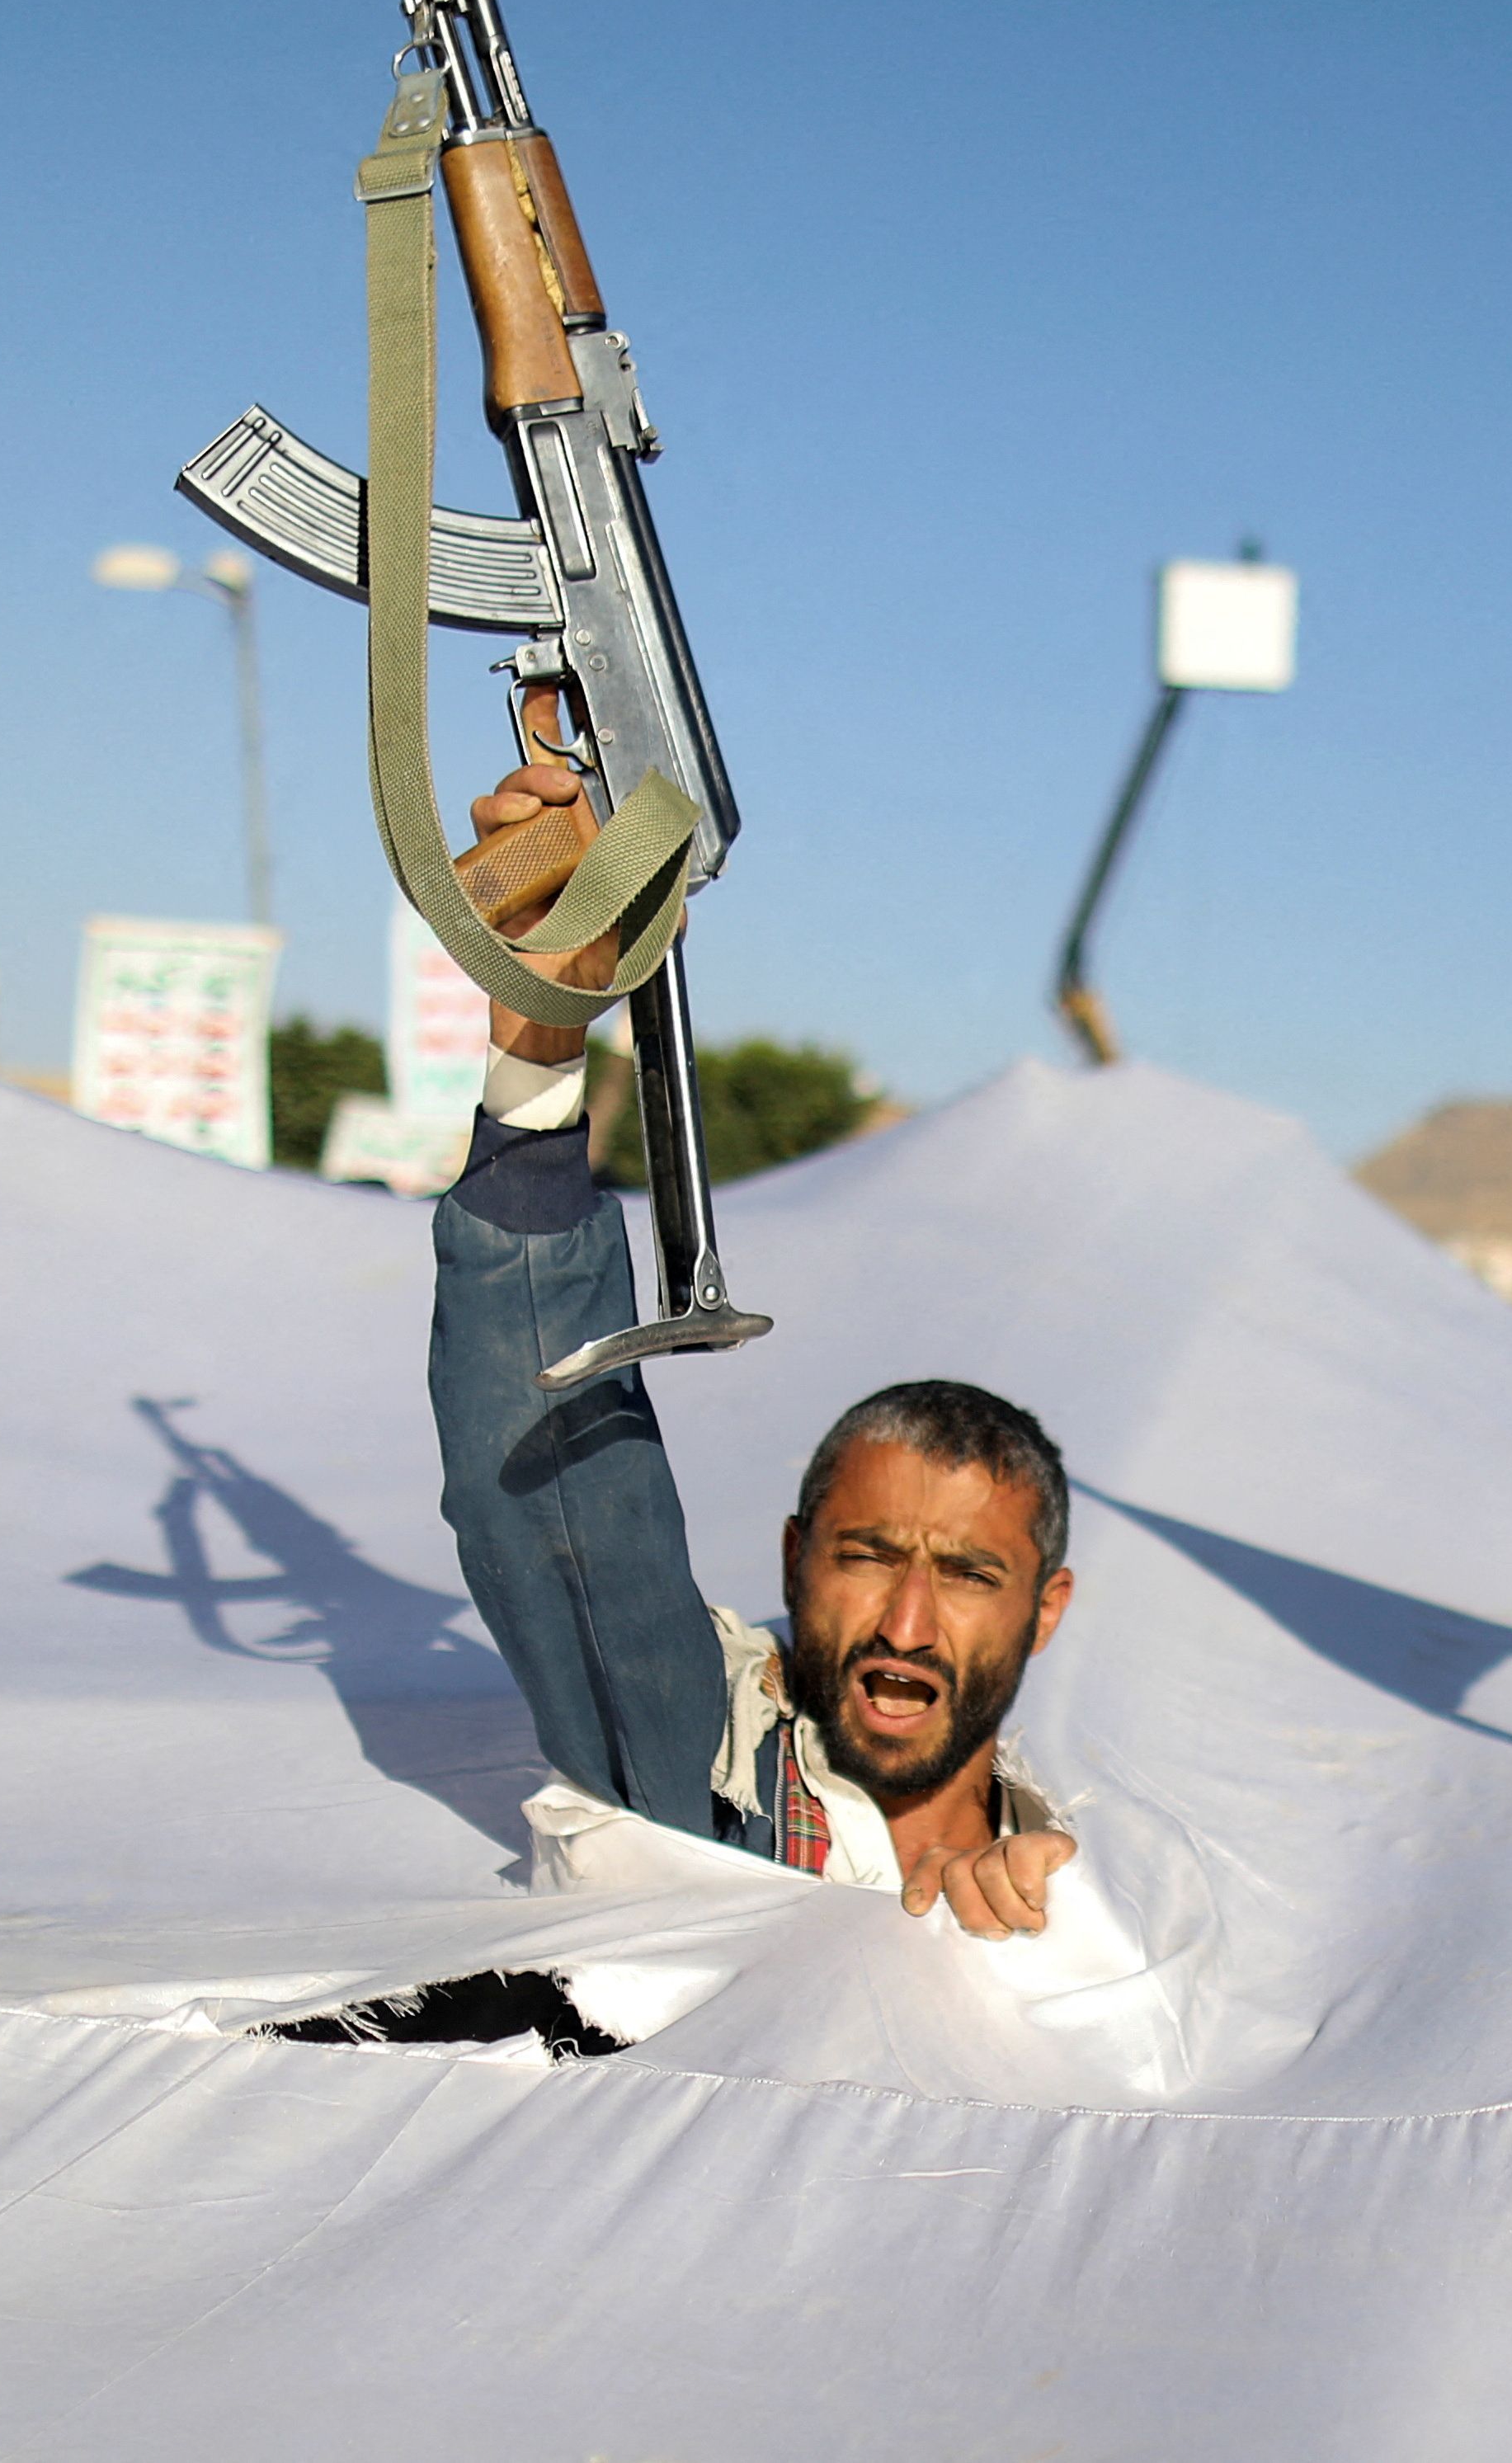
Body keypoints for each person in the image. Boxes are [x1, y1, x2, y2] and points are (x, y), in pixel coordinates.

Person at [426, 763, 1081, 1934]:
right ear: (791, 1563)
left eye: (971, 1574)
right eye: (868, 1557)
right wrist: (542, 1050)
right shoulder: (700, 1779)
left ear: (1047, 1608)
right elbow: (558, 1503)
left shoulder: (1102, 1869)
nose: (906, 1626)